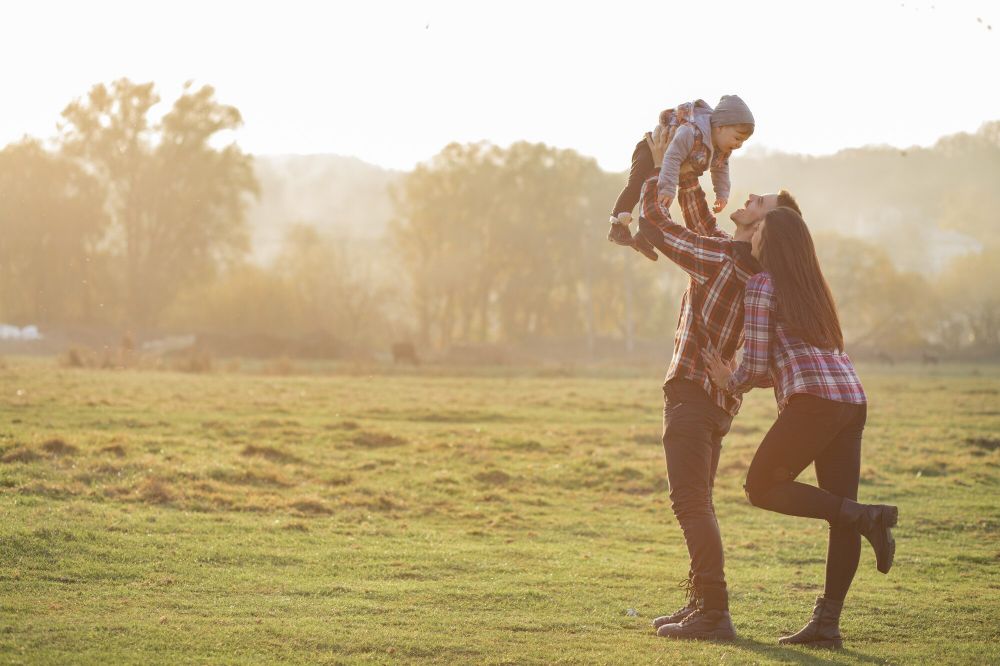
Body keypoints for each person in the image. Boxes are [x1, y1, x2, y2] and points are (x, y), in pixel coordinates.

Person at [702, 206, 898, 649]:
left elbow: (755, 364)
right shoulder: (813, 288)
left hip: (814, 403)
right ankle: (827, 626)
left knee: (760, 487)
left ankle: (867, 517)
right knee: (841, 510)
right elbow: (788, 360)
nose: (753, 235)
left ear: (771, 243)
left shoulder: (762, 285)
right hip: (851, 400)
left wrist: (728, 380)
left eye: (759, 230)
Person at [632, 130, 800, 640]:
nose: (749, 199)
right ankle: (701, 604)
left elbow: (657, 227)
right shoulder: (746, 264)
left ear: (763, 228)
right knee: (698, 500)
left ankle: (714, 612)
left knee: (690, 503)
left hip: (691, 395)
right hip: (717, 403)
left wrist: (655, 171)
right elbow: (701, 223)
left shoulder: (723, 261)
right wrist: (689, 173)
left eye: (759, 203)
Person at [607, 96, 755, 262]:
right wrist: (669, 187)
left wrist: (722, 195)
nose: (739, 145)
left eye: (743, 141)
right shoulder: (691, 132)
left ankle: (643, 237)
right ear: (720, 127)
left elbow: (721, 171)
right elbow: (672, 156)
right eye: (737, 138)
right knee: (636, 186)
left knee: (661, 201)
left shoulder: (722, 151)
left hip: (668, 166)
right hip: (650, 150)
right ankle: (617, 226)